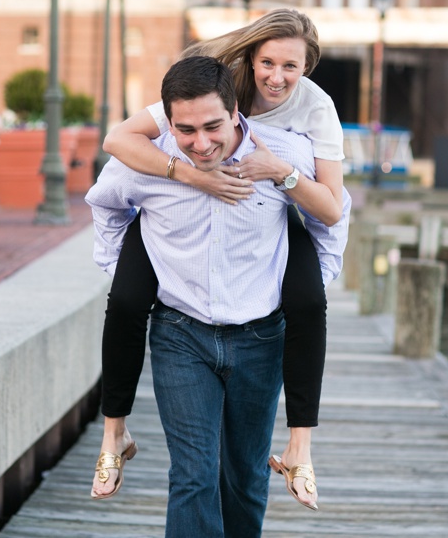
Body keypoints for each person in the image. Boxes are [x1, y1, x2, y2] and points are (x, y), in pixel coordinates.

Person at [85, 56, 348, 538]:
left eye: (212, 127)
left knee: (245, 479)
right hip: (180, 338)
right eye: (186, 130)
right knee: (193, 476)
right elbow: (104, 204)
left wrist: (318, 277)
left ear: (235, 114)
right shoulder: (149, 162)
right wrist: (127, 264)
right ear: (169, 120)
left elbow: (330, 216)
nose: (201, 143)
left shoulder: (282, 153)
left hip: (261, 338)